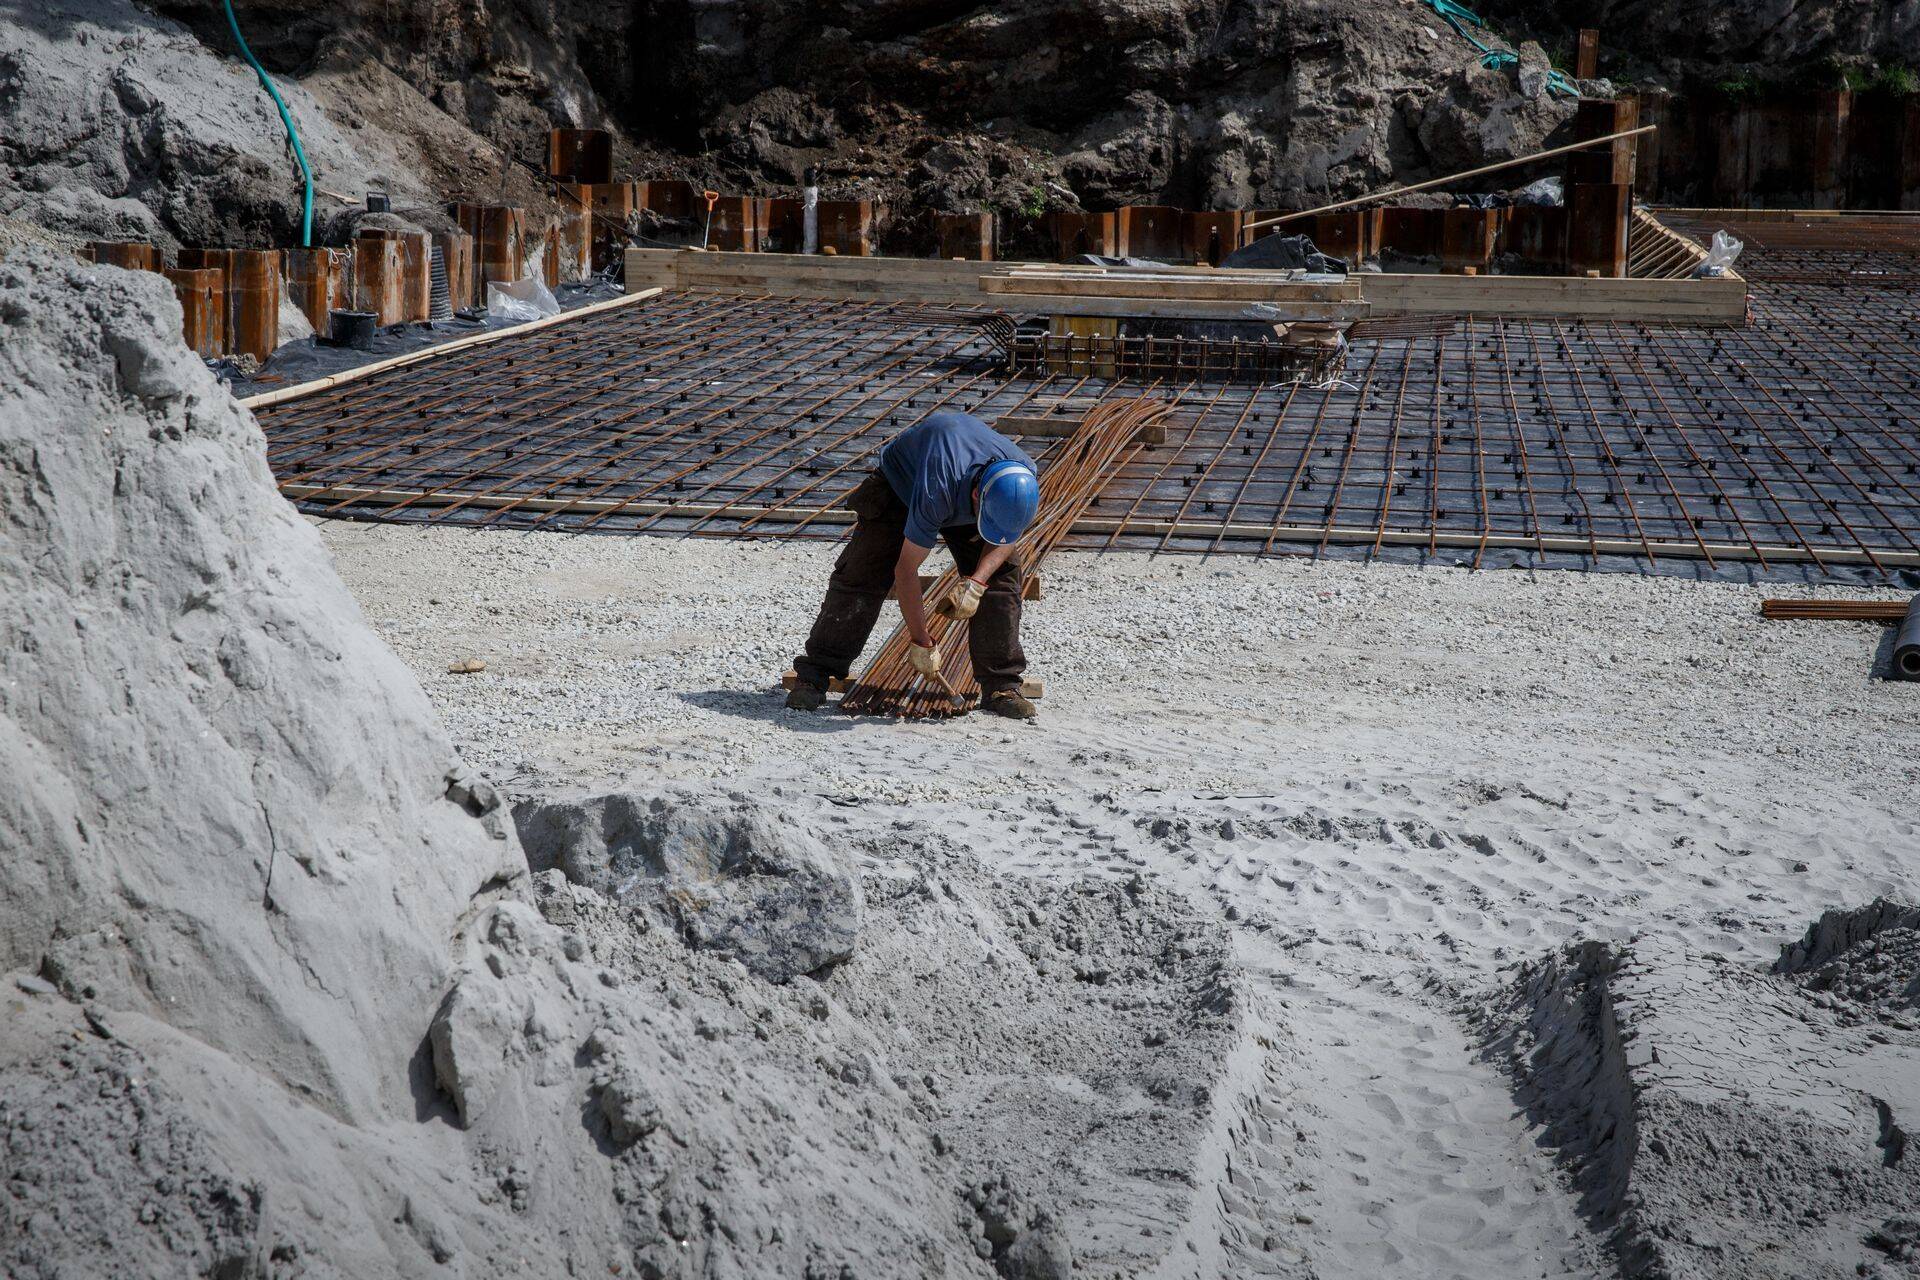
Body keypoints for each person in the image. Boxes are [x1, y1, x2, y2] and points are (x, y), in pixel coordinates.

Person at [787, 410, 1041, 718]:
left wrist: (977, 582)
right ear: (978, 496)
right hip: (901, 487)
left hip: (963, 484)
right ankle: (815, 674)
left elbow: (1005, 535)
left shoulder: (1022, 478)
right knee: (861, 575)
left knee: (1001, 578)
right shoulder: (938, 491)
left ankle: (1002, 686)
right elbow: (906, 569)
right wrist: (922, 642)